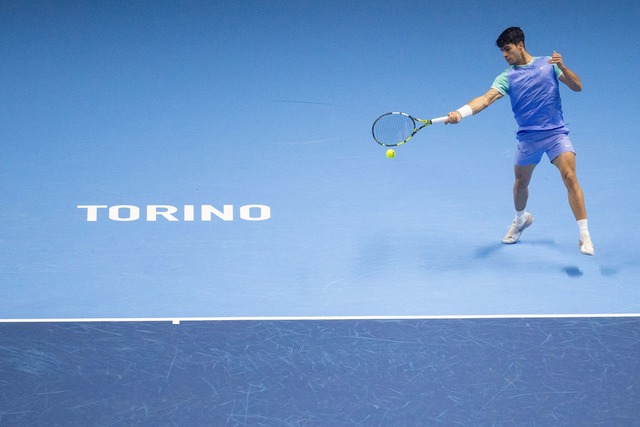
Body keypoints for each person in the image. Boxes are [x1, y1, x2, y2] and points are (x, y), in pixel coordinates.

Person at [446, 27, 594, 256]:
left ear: (520, 45)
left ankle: (584, 234)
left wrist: (562, 66)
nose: (504, 55)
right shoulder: (507, 77)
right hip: (528, 138)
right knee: (520, 184)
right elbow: (486, 99)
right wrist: (460, 113)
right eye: (502, 51)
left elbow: (578, 86)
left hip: (556, 134)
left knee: (570, 176)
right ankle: (520, 219)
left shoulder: (549, 64)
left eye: (507, 49)